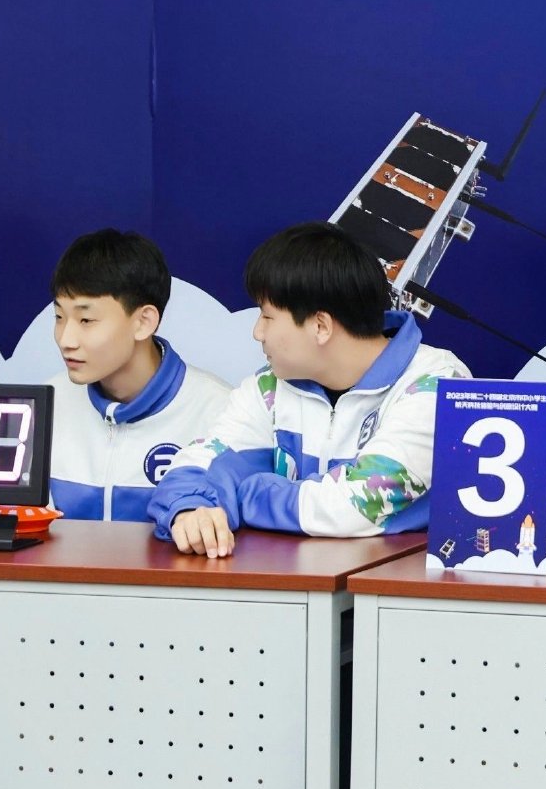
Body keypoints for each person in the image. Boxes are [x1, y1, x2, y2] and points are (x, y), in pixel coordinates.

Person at [148, 222, 470, 556]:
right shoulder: (269, 387)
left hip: (394, 585)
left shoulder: (436, 384)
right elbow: (198, 466)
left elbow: (358, 505)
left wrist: (245, 495)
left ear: (320, 326)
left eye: (267, 317)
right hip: (293, 584)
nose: (257, 333)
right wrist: (191, 510)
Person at [45, 229, 231, 521]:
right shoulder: (46, 403)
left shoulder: (221, 412)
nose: (66, 339)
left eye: (86, 320)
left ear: (144, 322)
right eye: (59, 317)